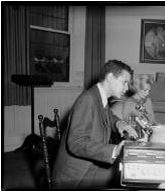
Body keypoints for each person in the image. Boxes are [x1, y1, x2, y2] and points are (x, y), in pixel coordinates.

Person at [52, 60, 138, 189]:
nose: (126, 88)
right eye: (124, 82)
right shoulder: (88, 100)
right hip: (76, 175)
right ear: (109, 77)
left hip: (90, 164)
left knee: (125, 174)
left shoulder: (99, 96)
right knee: (125, 180)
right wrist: (114, 150)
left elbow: (108, 115)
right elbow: (76, 143)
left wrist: (119, 123)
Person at [110, 75, 155, 141]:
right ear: (137, 89)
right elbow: (126, 122)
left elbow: (151, 120)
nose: (147, 93)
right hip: (131, 136)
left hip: (146, 135)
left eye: (149, 90)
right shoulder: (128, 103)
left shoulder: (147, 101)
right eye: (145, 90)